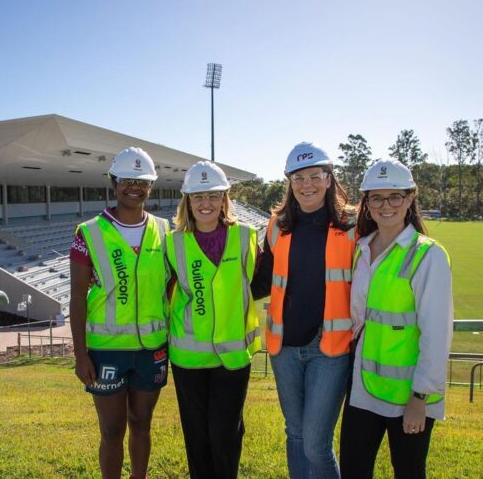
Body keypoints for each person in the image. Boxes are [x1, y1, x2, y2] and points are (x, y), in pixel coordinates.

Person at [339, 159, 453, 479]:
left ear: (410, 198)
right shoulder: (360, 249)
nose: (385, 206)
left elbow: (436, 334)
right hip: (363, 387)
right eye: (376, 198)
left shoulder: (428, 255)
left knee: (408, 471)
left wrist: (420, 398)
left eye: (394, 197)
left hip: (409, 396)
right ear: (367, 203)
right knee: (353, 470)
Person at [251, 142, 356, 479]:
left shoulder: (353, 224)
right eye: (299, 177)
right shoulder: (277, 225)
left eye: (315, 175)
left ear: (329, 179)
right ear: (289, 182)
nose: (307, 184)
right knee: (294, 434)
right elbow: (264, 281)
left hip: (331, 348)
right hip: (284, 347)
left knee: (315, 443)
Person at [70, 147, 170, 479]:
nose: (134, 187)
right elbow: (77, 299)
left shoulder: (164, 230)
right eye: (126, 180)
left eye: (142, 182)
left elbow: (171, 287)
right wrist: (80, 355)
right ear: (113, 183)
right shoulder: (89, 232)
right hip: (105, 352)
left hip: (151, 349)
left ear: (151, 186)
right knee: (112, 431)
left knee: (142, 424)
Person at [165, 160, 261, 479]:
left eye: (212, 196)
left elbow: (256, 284)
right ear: (187, 202)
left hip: (232, 357)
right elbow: (165, 293)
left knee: (225, 434)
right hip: (189, 358)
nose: (205, 203)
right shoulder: (173, 242)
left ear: (224, 199)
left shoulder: (247, 237)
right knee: (198, 438)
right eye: (197, 197)